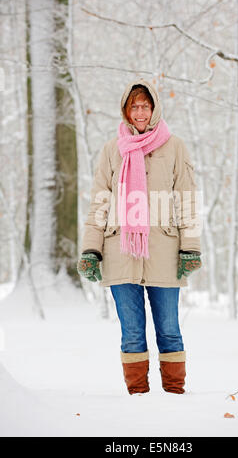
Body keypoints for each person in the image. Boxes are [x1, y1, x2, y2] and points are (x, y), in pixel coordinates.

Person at [77, 78, 202, 395]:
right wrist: (91, 250)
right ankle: (138, 399)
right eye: (134, 106)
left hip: (163, 251)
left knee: (170, 330)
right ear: (126, 110)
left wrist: (190, 247)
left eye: (145, 105)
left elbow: (186, 198)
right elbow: (100, 202)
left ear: (155, 108)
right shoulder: (111, 150)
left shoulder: (174, 146)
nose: (140, 111)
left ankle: (175, 396)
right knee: (132, 332)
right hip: (120, 251)